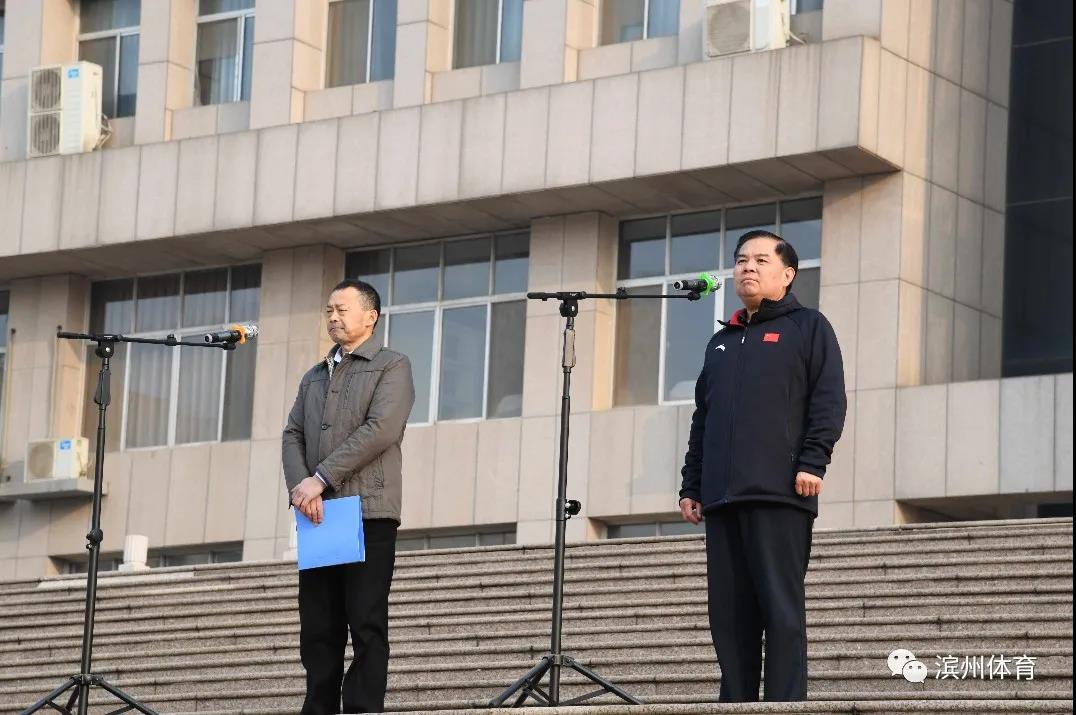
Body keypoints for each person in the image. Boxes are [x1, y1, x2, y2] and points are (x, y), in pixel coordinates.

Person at [679, 230, 847, 702]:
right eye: (741, 260)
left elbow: (829, 400)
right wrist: (692, 484)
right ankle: (735, 704)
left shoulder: (808, 327)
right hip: (721, 497)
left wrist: (813, 461)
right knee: (729, 617)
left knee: (781, 611)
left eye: (760, 260)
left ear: (787, 274)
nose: (747, 267)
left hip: (781, 491)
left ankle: (785, 706)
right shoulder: (721, 342)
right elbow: (703, 418)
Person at [283, 279, 414, 714]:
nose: (333, 317)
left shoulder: (392, 365)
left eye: (342, 309)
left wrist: (320, 478)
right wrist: (302, 489)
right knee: (318, 628)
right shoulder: (314, 376)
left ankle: (362, 709)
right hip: (319, 514)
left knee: (365, 621)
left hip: (368, 513)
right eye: (329, 311)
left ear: (370, 317)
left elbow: (381, 429)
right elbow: (293, 434)